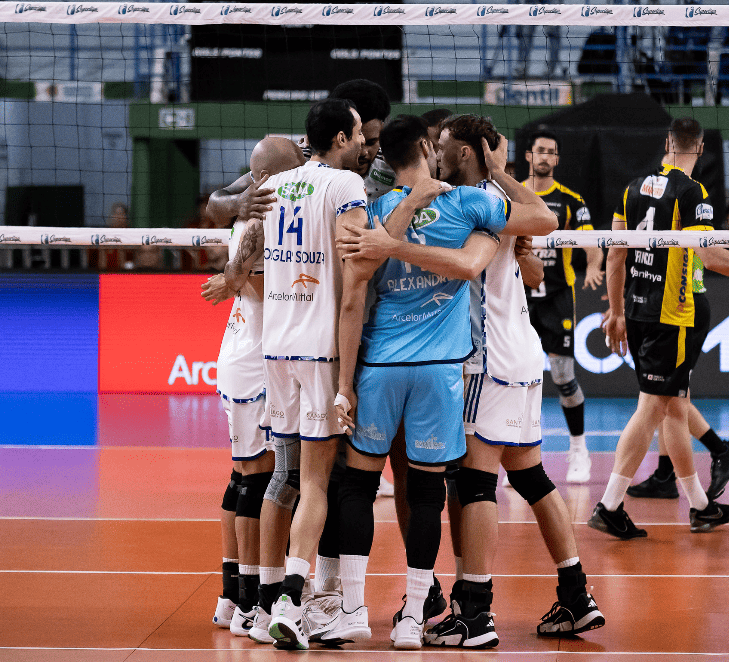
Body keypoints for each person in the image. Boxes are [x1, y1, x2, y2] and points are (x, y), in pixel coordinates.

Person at [311, 114, 507, 649]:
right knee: (425, 493)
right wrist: (497, 168)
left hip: (379, 366)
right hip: (439, 372)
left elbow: (355, 292)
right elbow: (538, 218)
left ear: (381, 159)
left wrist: (343, 383)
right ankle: (413, 620)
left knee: (357, 484)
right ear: (426, 145)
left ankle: (351, 609)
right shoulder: (470, 204)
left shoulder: (371, 212)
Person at [419, 115, 603, 648]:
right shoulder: (493, 203)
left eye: (447, 148)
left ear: (470, 153)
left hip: (486, 357)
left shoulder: (474, 199)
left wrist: (499, 172)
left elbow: (543, 220)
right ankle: (575, 594)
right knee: (532, 478)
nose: (438, 155)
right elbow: (535, 264)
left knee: (474, 482)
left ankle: (474, 612)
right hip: (522, 356)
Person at [205, 98, 368, 649]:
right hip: (320, 349)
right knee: (316, 481)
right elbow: (354, 281)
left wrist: (230, 275)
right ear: (342, 138)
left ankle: (257, 598)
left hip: (275, 350)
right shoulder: (344, 187)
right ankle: (289, 602)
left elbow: (242, 235)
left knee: (280, 476)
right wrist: (347, 377)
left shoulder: (274, 185)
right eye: (358, 136)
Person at [591, 118, 729, 539]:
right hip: (672, 313)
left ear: (667, 141)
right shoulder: (693, 193)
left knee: (672, 404)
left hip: (636, 308)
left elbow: (616, 255)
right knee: (653, 406)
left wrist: (615, 310)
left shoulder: (632, 188)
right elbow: (711, 259)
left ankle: (702, 508)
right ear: (701, 147)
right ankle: (609, 504)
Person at [207, 137, 306, 636]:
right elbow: (264, 288)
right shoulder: (264, 220)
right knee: (263, 477)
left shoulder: (261, 209)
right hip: (258, 359)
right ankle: (253, 603)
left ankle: (232, 597)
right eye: (298, 167)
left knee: (244, 474)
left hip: (244, 350)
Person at [519, 129, 602, 483]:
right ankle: (514, 454)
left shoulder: (570, 200)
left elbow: (592, 241)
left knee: (563, 376)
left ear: (556, 159)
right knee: (513, 377)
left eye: (551, 153)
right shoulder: (514, 194)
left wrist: (595, 265)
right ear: (528, 155)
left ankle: (579, 450)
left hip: (557, 297)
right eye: (540, 151)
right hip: (517, 295)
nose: (545, 157)